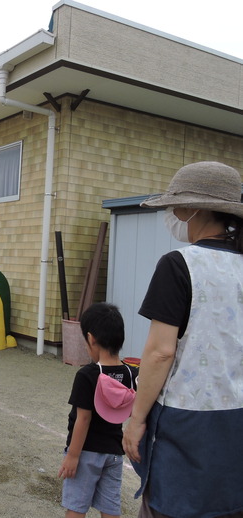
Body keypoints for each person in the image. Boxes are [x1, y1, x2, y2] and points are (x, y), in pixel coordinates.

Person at [122, 162, 243, 518]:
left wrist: (136, 418)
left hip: (187, 423)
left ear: (192, 209)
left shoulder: (178, 265)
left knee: (172, 506)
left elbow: (160, 352)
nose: (171, 216)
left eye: (175, 207)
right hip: (236, 421)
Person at [58, 302, 137, 518]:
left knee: (76, 507)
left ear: (91, 339)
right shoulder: (131, 373)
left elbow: (83, 420)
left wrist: (73, 456)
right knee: (110, 507)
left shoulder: (87, 375)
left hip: (86, 453)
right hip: (114, 454)